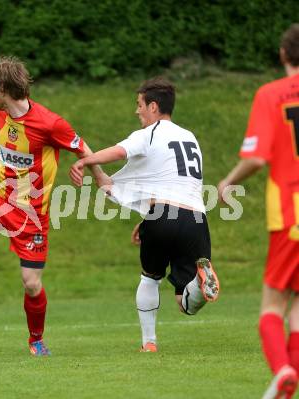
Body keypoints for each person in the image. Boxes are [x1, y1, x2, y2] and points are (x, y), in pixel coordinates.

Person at [0, 56, 105, 356]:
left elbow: (81, 147)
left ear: (2, 89)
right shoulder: (4, 114)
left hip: (31, 218)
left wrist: (99, 176)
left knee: (31, 283)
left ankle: (35, 340)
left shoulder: (50, 123)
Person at [70, 77, 220, 352]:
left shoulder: (151, 133)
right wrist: (147, 218)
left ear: (153, 106)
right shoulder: (189, 137)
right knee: (185, 303)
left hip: (163, 214)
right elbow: (173, 183)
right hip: (197, 219)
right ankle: (200, 283)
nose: (136, 111)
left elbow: (118, 152)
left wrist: (85, 160)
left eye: (139, 104)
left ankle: (148, 343)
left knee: (150, 277)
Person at [217, 24, 299, 399]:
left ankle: (282, 370)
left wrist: (228, 182)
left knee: (272, 303)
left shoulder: (271, 94)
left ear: (283, 55)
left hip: (289, 214)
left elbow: (256, 157)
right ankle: (291, 376)